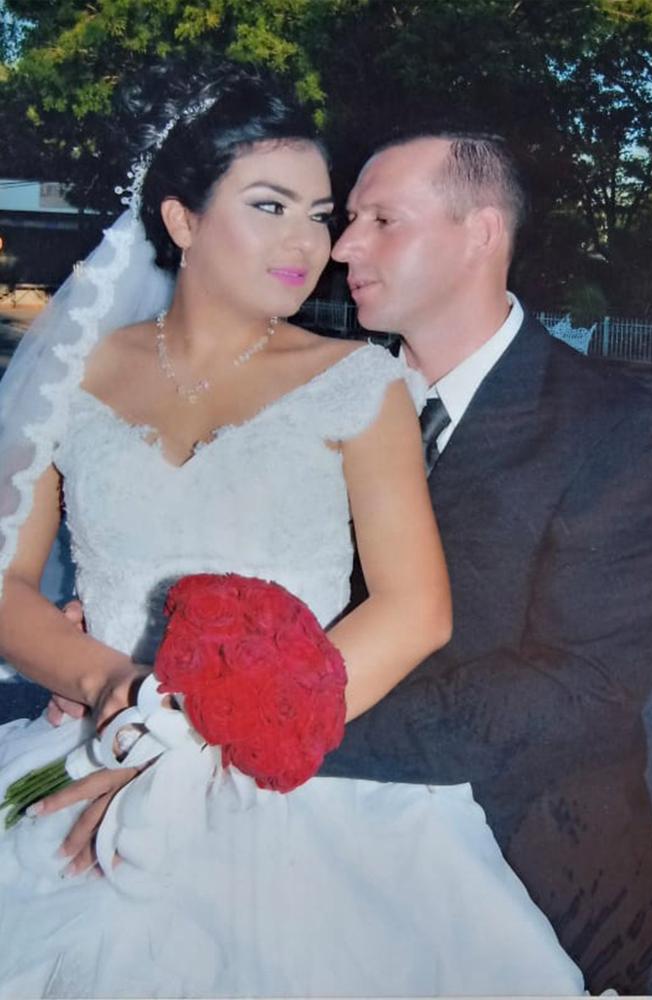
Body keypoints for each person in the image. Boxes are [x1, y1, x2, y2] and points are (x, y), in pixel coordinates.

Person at [0, 67, 585, 997]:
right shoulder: (74, 374)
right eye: (270, 207)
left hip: (294, 785)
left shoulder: (359, 381)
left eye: (318, 215)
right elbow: (8, 584)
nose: (308, 243)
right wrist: (116, 690)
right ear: (182, 219)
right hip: (97, 735)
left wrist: (207, 740)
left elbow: (414, 608)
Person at [325, 128, 652, 995]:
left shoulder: (617, 426)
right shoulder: (311, 405)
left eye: (381, 220)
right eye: (349, 218)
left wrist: (279, 728)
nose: (342, 246)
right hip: (298, 849)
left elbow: (579, 687)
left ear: (478, 234)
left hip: (523, 879)